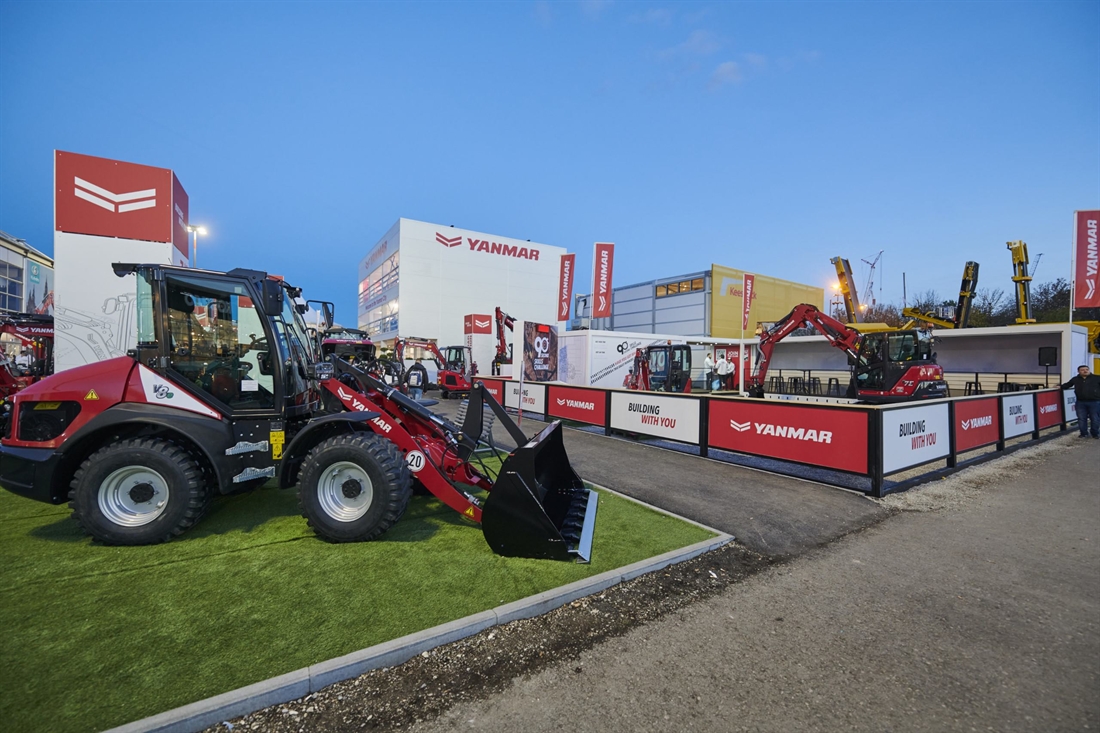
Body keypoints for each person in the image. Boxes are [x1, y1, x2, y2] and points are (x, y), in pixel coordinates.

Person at [1062, 364, 1100, 439]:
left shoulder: (1097, 378)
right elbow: (1067, 385)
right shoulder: (1075, 379)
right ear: (1078, 371)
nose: (1085, 371)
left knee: (1095, 418)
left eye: (1086, 369)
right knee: (1081, 418)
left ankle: (1095, 433)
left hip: (1095, 402)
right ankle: (1083, 433)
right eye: (1082, 370)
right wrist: (1060, 386)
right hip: (1081, 402)